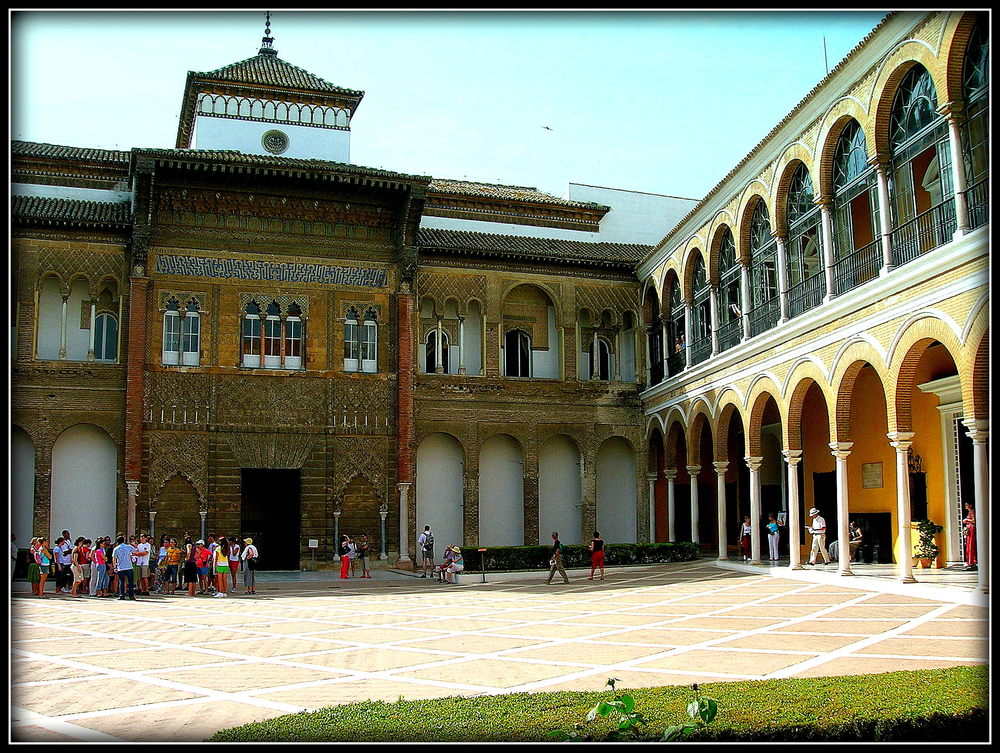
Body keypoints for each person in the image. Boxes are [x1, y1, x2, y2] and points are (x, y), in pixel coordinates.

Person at [112, 535, 137, 600]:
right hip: (129, 566)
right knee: (130, 582)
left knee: (121, 581)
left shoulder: (116, 549)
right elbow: (136, 552)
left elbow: (114, 559)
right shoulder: (129, 547)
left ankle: (121, 595)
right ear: (124, 540)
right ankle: (131, 595)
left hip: (121, 567)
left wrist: (114, 567)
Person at [962, 503, 977, 571]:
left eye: (966, 505)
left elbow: (974, 520)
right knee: (968, 545)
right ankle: (969, 561)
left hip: (971, 528)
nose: (965, 506)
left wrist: (966, 520)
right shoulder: (969, 512)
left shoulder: (972, 511)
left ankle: (972, 561)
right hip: (969, 528)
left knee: (970, 545)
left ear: (970, 505)